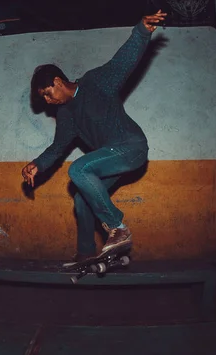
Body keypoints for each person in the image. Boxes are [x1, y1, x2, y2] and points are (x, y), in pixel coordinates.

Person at [22, 10, 167, 264]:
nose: (47, 101)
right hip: (112, 159)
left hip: (131, 147)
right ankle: (87, 253)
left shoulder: (95, 83)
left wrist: (141, 31)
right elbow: (58, 148)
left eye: (47, 94)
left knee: (78, 169)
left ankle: (118, 229)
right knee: (81, 199)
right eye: (43, 98)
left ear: (58, 82)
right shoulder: (66, 114)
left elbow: (122, 63)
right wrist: (38, 164)